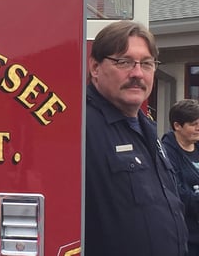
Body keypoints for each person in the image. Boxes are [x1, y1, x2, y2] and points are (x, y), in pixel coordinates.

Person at [85, 20, 188, 256]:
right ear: (95, 67)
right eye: (124, 61)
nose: (137, 73)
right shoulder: (79, 128)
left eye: (147, 63)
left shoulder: (147, 128)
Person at [162, 99, 199, 256]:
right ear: (177, 126)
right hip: (187, 237)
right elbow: (177, 193)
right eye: (194, 124)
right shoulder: (165, 154)